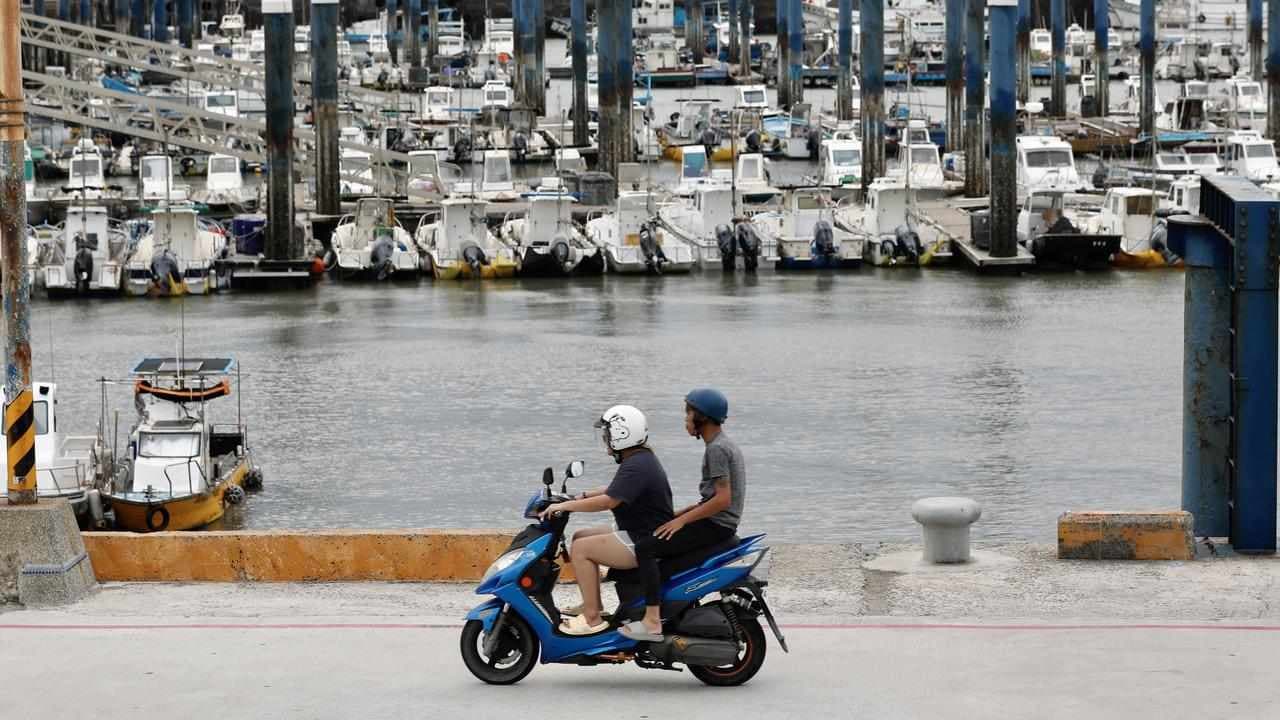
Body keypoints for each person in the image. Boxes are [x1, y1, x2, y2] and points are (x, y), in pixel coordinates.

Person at [619, 388, 746, 642]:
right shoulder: (722, 444)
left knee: (645, 548)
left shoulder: (717, 450)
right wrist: (679, 514)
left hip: (716, 526)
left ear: (701, 418)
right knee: (660, 549)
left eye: (688, 414)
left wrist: (681, 521)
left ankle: (652, 621)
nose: (685, 420)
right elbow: (710, 498)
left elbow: (722, 499)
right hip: (717, 523)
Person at [539, 405, 673, 636]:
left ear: (622, 434)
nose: (605, 439)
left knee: (581, 549)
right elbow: (616, 489)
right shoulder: (640, 459)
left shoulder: (637, 465)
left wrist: (565, 505)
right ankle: (594, 604)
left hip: (641, 538)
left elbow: (609, 501)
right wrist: (581, 495)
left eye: (608, 434)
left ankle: (592, 619)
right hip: (637, 530)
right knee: (580, 536)